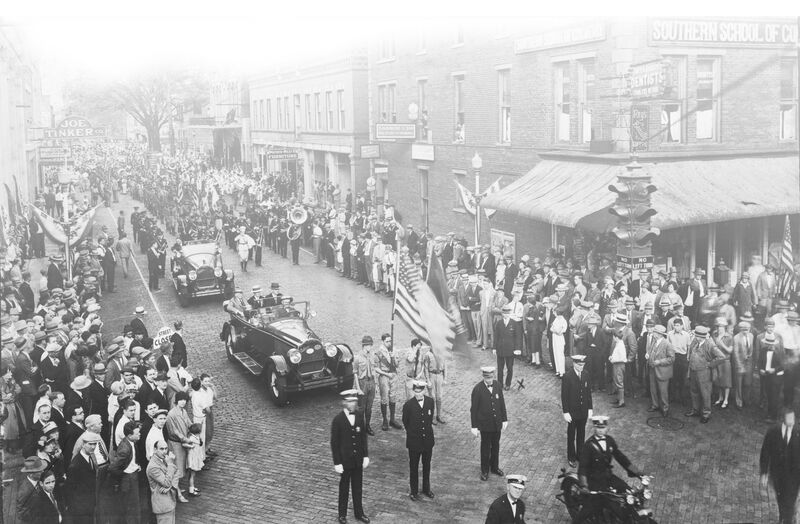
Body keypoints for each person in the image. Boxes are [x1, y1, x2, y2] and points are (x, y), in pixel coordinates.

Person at [330, 389, 371, 524]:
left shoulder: (359, 416)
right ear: (343, 402)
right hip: (345, 460)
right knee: (344, 488)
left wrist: (365, 455)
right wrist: (337, 463)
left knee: (358, 487)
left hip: (357, 459)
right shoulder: (338, 420)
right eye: (349, 401)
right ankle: (342, 514)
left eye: (354, 401)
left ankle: (359, 513)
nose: (352, 404)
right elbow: (334, 443)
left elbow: (363, 437)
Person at [760, 407, 800, 524]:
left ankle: (786, 520)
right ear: (783, 419)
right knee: (781, 500)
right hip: (777, 474)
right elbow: (765, 452)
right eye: (789, 418)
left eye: (793, 417)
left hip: (794, 476)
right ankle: (785, 518)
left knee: (789, 501)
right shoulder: (773, 432)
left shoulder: (798, 432)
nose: (792, 420)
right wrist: (764, 472)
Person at [471, 366, 508, 481]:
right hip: (485, 425)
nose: (490, 380)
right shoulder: (477, 389)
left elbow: (501, 403)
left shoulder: (497, 385)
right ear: (483, 377)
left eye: (491, 377)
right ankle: (485, 470)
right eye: (488, 378)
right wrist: (474, 426)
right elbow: (474, 409)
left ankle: (494, 467)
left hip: (497, 424)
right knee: (485, 448)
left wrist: (504, 419)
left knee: (496, 446)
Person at [685, 326, 727, 424]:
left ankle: (706, 414)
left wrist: (710, 364)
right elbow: (690, 352)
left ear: (704, 337)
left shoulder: (710, 345)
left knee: (705, 394)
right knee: (694, 391)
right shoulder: (695, 342)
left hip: (704, 373)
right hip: (693, 371)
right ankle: (695, 410)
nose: (697, 338)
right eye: (696, 336)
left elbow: (722, 357)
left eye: (699, 337)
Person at [402, 379, 435, 501]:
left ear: (424, 391)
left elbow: (429, 419)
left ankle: (426, 489)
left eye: (420, 392)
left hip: (427, 441)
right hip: (414, 442)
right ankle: (414, 491)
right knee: (414, 467)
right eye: (416, 392)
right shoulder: (408, 405)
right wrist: (413, 434)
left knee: (427, 466)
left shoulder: (430, 402)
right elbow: (406, 422)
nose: (418, 394)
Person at [561, 354, 593, 468]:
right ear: (574, 364)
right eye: (580, 365)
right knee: (571, 435)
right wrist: (565, 412)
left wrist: (590, 408)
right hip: (572, 412)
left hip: (583, 410)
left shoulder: (586, 374)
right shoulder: (567, 376)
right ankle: (571, 457)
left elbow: (588, 393)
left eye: (583, 365)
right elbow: (564, 396)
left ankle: (580, 454)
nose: (582, 367)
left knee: (581, 433)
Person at [108, 421, 142, 524]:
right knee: (131, 506)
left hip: (133, 475)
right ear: (129, 435)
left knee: (134, 505)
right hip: (128, 479)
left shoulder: (131, 442)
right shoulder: (125, 449)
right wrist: (124, 475)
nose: (140, 434)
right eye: (137, 433)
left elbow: (131, 459)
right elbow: (112, 468)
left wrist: (135, 465)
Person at [66, 430, 101, 524]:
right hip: (80, 508)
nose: (93, 447)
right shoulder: (75, 465)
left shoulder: (91, 456)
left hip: (90, 503)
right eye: (90, 444)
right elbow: (70, 490)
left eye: (95, 444)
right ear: (83, 444)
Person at [374, 333, 402, 431]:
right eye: (387, 341)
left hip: (393, 375)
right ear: (383, 341)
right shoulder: (378, 352)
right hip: (384, 376)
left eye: (390, 341)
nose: (389, 343)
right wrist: (386, 374)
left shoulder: (394, 350)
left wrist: (393, 357)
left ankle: (392, 419)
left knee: (393, 397)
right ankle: (385, 420)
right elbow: (376, 368)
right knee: (384, 398)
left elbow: (397, 365)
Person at [147, 440, 179, 524]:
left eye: (166, 448)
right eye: (161, 449)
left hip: (170, 502)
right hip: (162, 505)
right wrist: (170, 464)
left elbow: (176, 472)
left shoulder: (164, 459)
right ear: (155, 449)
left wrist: (170, 486)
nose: (164, 451)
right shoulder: (153, 467)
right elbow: (166, 482)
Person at [647, 324, 675, 417]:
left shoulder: (667, 344)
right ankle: (655, 405)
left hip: (662, 371)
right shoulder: (654, 341)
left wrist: (659, 361)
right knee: (653, 389)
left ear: (659, 334)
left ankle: (665, 408)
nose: (653, 333)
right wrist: (648, 355)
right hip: (652, 369)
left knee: (663, 391)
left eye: (654, 332)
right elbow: (651, 351)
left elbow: (671, 359)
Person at [353, 335, 377, 435]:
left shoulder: (372, 356)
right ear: (363, 346)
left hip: (371, 382)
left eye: (370, 345)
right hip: (362, 383)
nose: (369, 347)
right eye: (367, 345)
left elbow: (374, 370)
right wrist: (358, 388)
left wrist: (376, 385)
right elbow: (355, 373)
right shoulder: (357, 358)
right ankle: (360, 427)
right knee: (361, 408)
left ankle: (367, 426)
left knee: (369, 408)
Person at [16, 455, 48, 523]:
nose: (42, 472)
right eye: (39, 471)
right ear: (31, 473)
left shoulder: (38, 481)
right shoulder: (24, 491)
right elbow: (22, 513)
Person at [494, 305, 519, 391]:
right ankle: (499, 384)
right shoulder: (499, 323)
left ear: (510, 313)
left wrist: (517, 348)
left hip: (510, 350)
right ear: (502, 314)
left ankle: (508, 384)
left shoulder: (514, 323)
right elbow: (496, 336)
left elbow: (517, 337)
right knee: (500, 368)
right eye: (505, 313)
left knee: (510, 368)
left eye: (508, 313)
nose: (506, 315)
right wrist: (494, 348)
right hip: (500, 349)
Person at [185, 422, 204, 496]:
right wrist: (191, 447)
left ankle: (192, 487)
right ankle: (191, 490)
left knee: (193, 474)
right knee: (192, 474)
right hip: (193, 459)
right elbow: (184, 444)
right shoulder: (192, 438)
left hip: (196, 457)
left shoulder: (196, 437)